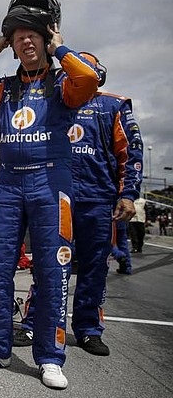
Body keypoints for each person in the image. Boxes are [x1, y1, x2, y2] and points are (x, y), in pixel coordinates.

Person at [0, 0, 100, 390]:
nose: (26, 40)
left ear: (47, 38)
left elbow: (87, 78)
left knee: (52, 271)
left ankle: (50, 358)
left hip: (51, 183)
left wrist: (60, 46)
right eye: (19, 37)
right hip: (9, 185)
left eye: (33, 34)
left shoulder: (64, 82)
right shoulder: (4, 89)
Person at [13, 52, 144, 356]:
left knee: (94, 267)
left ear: (97, 76)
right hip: (53, 197)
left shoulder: (114, 104)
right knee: (47, 264)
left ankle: (88, 329)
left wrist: (128, 194)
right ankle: (34, 323)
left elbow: (131, 153)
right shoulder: (50, 101)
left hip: (97, 200)